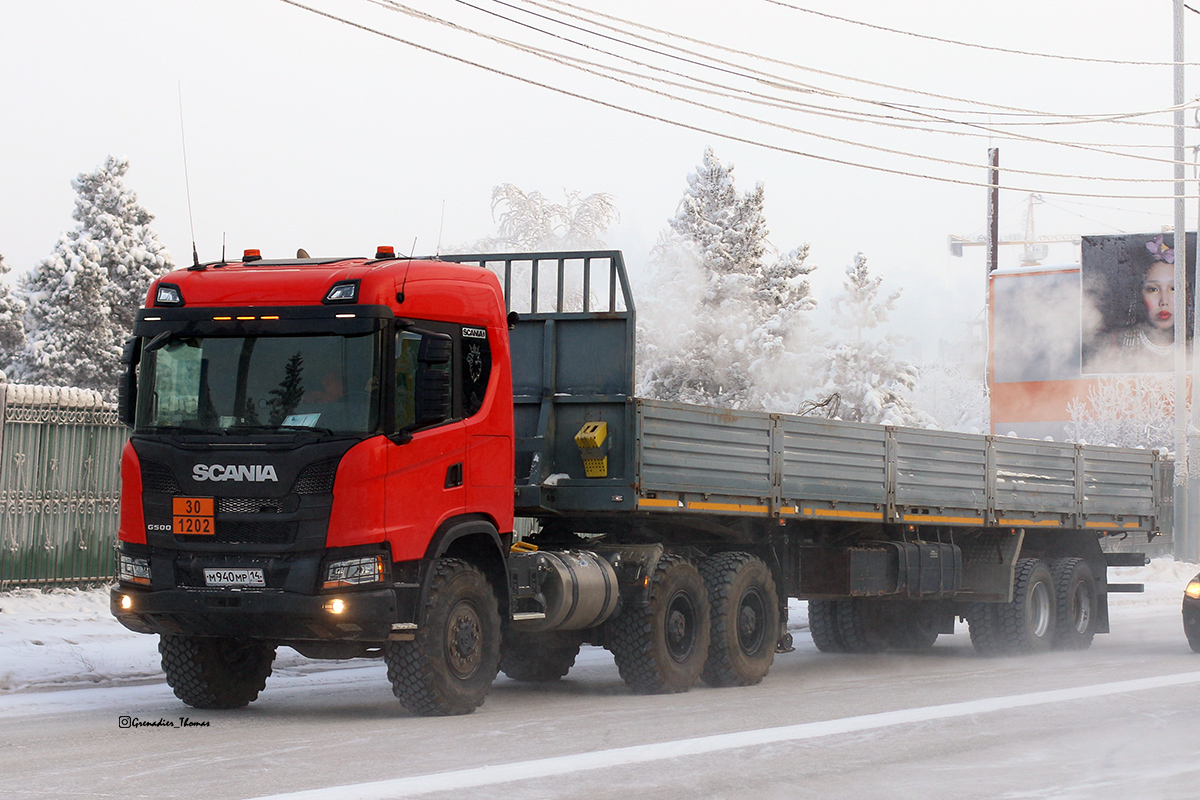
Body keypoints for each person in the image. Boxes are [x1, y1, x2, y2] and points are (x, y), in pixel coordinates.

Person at [1084, 236, 1182, 373]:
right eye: (1153, 289)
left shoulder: (1194, 345)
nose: (1164, 301)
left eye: (1174, 289)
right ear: (1140, 294)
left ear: (1188, 295)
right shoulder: (1116, 345)